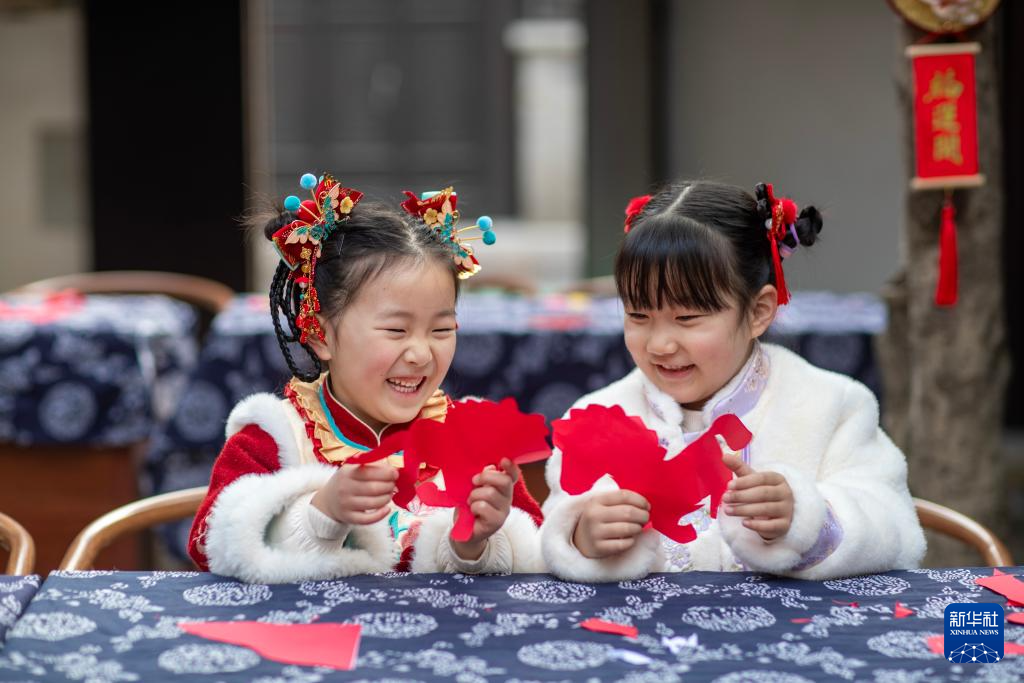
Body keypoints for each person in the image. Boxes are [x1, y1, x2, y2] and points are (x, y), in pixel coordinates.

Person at [541, 180, 925, 581]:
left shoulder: (832, 405)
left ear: (758, 311)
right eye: (638, 316)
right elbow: (551, 532)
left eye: (686, 318)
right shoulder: (598, 415)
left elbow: (896, 529)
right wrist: (581, 537)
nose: (659, 344)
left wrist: (806, 519)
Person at [188, 174, 543, 582]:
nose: (421, 353)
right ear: (320, 335)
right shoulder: (275, 437)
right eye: (396, 330)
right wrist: (322, 513)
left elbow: (534, 551)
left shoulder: (472, 439)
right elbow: (209, 545)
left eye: (442, 329)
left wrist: (474, 542)